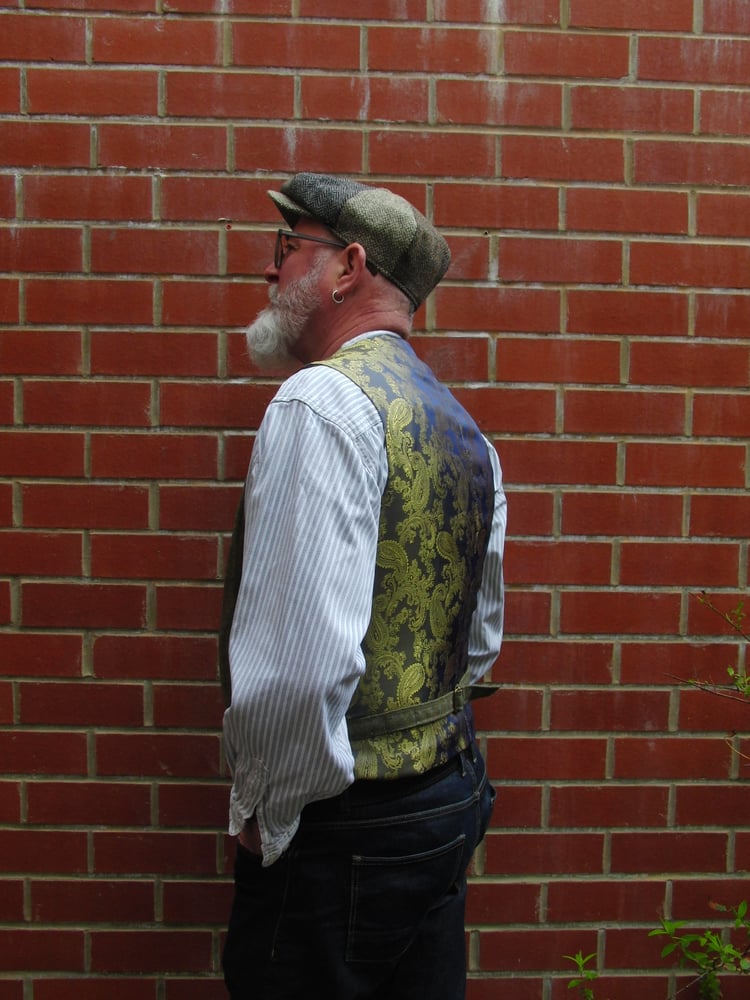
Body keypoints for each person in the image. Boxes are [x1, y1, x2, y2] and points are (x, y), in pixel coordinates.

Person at [219, 173, 507, 1000]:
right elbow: (478, 642)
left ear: (346, 267)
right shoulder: (464, 429)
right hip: (447, 800)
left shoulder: (320, 404)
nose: (270, 273)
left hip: (346, 829)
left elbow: (300, 672)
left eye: (288, 249)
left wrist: (266, 818)